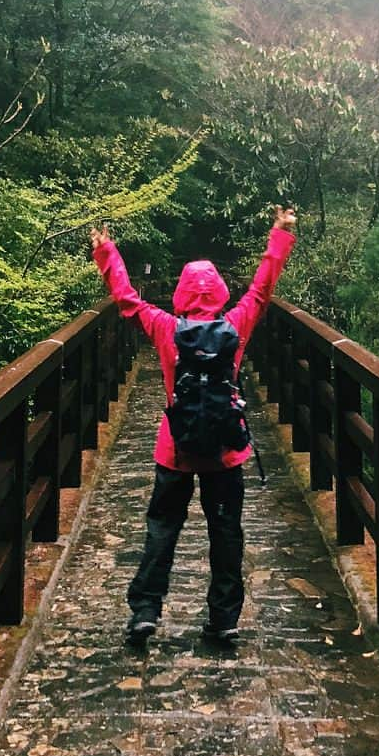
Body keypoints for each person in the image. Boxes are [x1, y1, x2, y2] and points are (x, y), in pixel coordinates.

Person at [90, 206, 297, 643]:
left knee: (162, 528)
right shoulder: (235, 325)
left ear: (181, 294)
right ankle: (223, 619)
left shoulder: (166, 328)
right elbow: (261, 291)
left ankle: (145, 611)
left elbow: (128, 301)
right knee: (225, 532)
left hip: (176, 450)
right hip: (225, 450)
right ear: (220, 292)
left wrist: (107, 252)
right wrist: (279, 236)